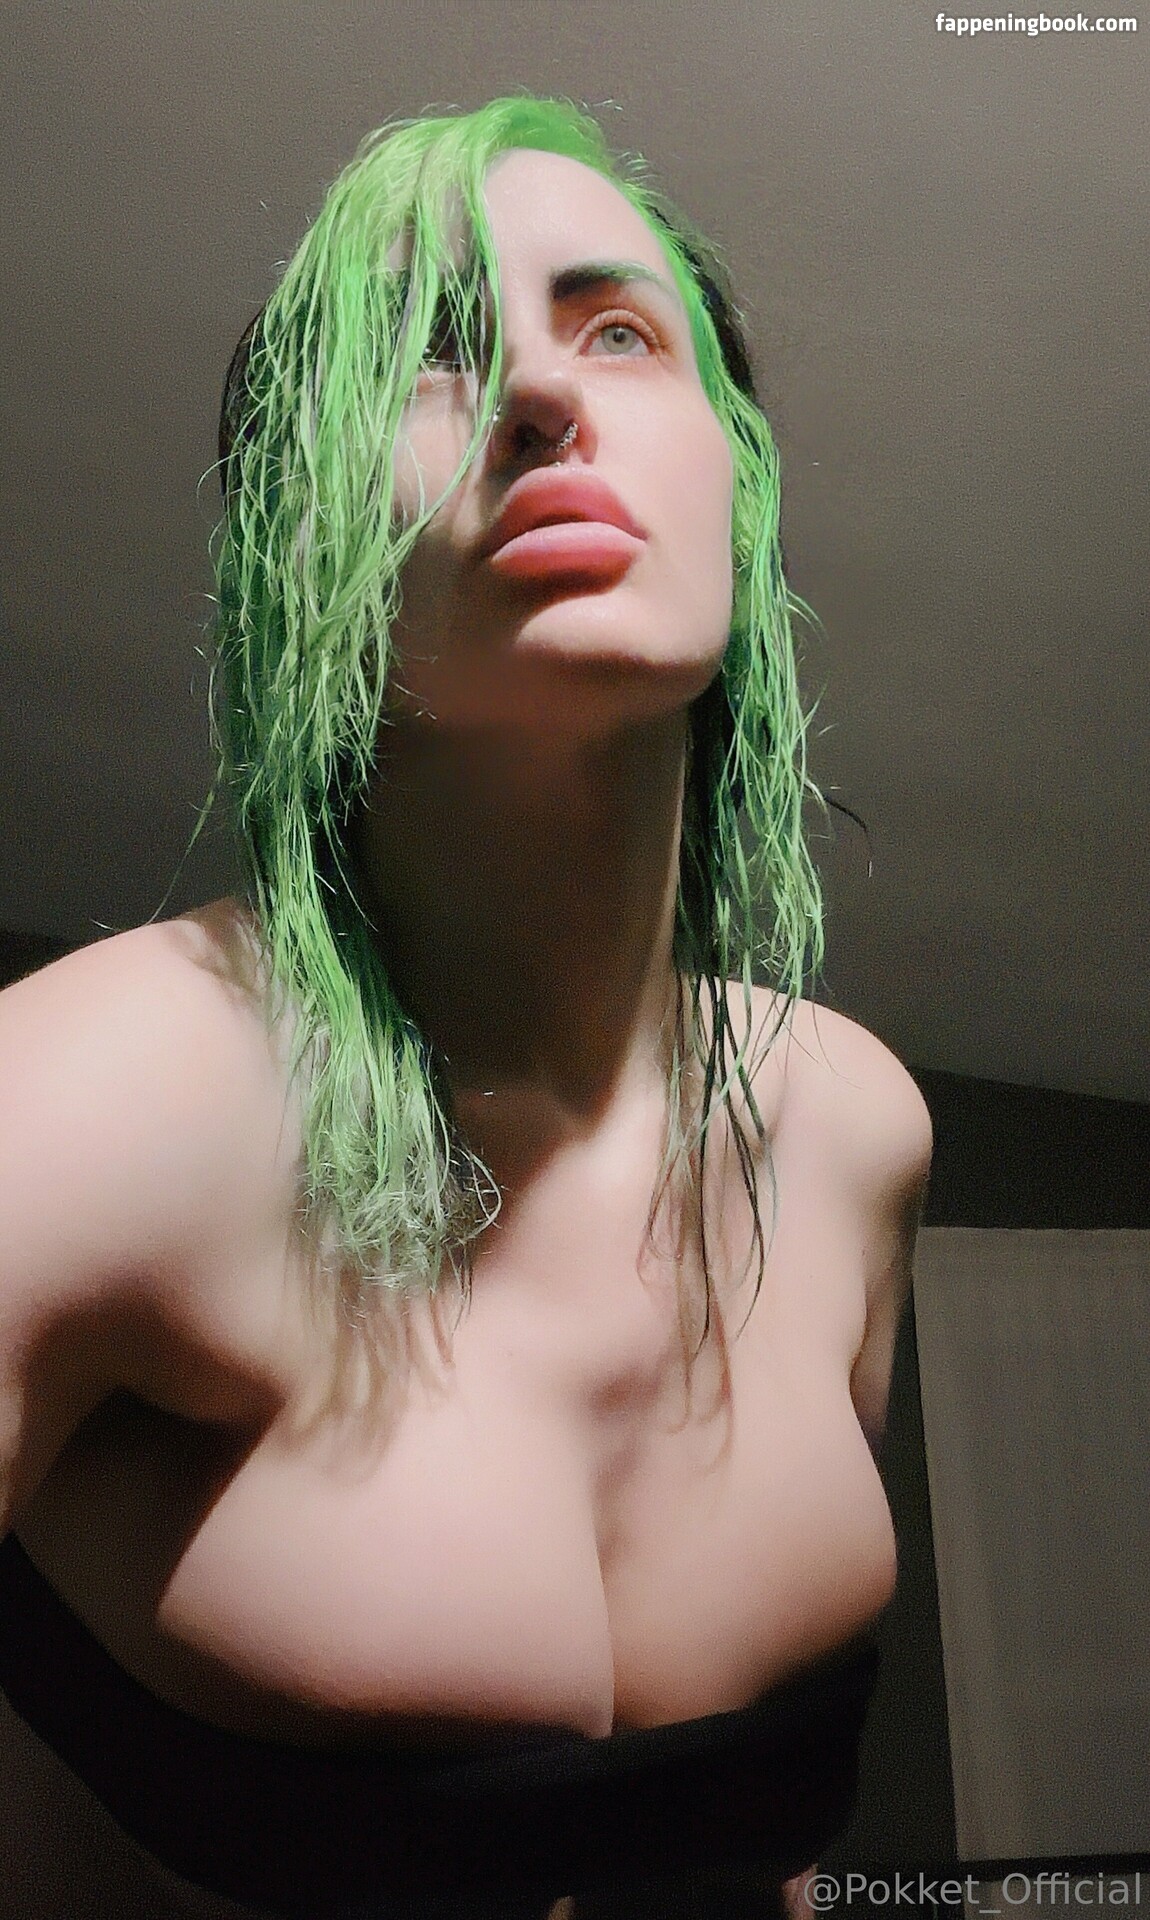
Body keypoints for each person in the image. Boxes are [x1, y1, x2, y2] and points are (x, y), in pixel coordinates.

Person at [0, 95, 932, 1919]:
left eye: (619, 332)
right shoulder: (84, 1106)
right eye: (421, 353)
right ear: (297, 544)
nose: (535, 390)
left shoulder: (847, 1125)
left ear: (735, 483)